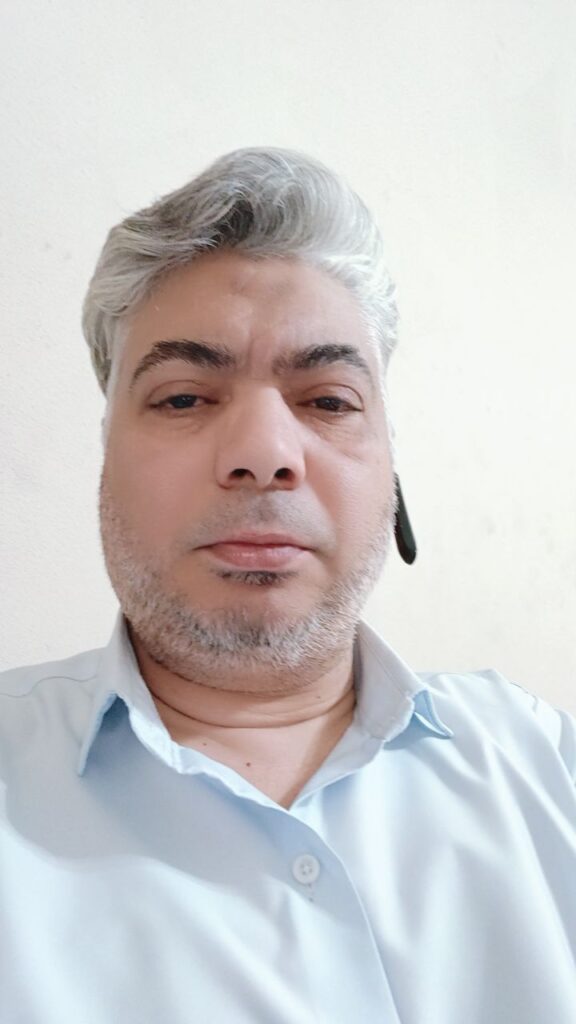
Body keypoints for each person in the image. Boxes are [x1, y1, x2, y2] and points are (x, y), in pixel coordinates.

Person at [1, 148, 575, 1024]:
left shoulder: (545, 767)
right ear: (106, 457)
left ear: (391, 468)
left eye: (329, 400)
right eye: (184, 398)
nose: (264, 453)